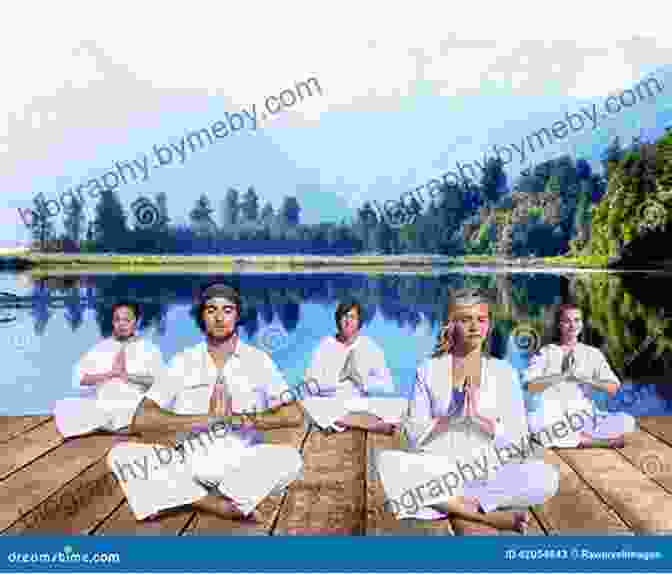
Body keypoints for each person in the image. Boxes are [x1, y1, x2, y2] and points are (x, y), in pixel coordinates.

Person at [375, 288, 559, 533]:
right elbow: (412, 434)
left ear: (489, 325)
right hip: (440, 469)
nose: (474, 327)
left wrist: (482, 421)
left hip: (487, 474)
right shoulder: (428, 370)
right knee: (388, 462)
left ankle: (450, 503)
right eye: (465, 320)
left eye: (481, 320)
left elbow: (520, 441)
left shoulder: (503, 372)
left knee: (545, 476)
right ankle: (487, 517)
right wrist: (450, 417)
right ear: (451, 325)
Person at [124, 283, 304, 521]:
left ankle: (185, 496)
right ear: (201, 316)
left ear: (238, 316)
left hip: (242, 464)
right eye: (211, 310)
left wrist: (239, 420)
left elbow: (294, 414)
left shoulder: (258, 361)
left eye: (227, 310)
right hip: (188, 464)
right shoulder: (182, 361)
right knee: (123, 454)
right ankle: (215, 504)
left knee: (290, 459)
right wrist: (206, 420)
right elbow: (141, 419)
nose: (219, 318)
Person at [524, 300, 636, 448]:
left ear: (582, 324)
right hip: (552, 417)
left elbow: (613, 387)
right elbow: (530, 386)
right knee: (536, 426)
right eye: (566, 321)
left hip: (583, 418)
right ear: (559, 324)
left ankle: (577, 438)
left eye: (577, 320)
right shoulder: (545, 352)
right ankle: (600, 442)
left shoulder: (592, 353)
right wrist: (563, 375)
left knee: (627, 421)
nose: (572, 325)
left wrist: (584, 379)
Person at [54, 300, 164, 438]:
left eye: (127, 320)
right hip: (105, 405)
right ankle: (121, 426)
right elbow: (81, 378)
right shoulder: (101, 348)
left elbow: (158, 381)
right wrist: (111, 374)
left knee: (149, 411)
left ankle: (119, 426)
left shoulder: (148, 348)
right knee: (65, 408)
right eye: (117, 320)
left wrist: (127, 376)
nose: (121, 324)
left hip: (134, 404)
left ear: (136, 321)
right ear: (112, 322)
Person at [303, 299, 399, 433]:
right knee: (309, 405)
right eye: (344, 317)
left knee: (398, 405)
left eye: (352, 317)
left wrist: (360, 380)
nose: (348, 321)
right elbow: (309, 385)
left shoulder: (370, 347)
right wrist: (339, 378)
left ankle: (343, 422)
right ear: (338, 320)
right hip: (331, 404)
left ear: (359, 321)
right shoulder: (324, 347)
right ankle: (367, 424)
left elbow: (388, 385)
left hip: (360, 404)